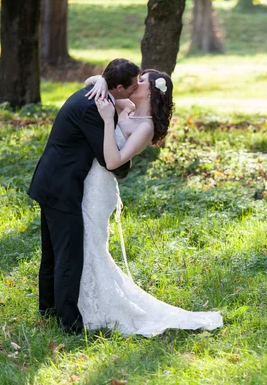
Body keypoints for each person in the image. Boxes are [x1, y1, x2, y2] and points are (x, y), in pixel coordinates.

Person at [77, 69, 223, 336]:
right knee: (84, 243)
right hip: (84, 180)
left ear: (151, 91)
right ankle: (83, 302)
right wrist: (100, 80)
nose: (135, 82)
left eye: (141, 80)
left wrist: (109, 122)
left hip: (99, 190)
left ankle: (97, 308)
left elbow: (113, 162)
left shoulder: (145, 127)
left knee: (93, 246)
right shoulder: (128, 106)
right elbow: (92, 85)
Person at [28, 58, 139, 334]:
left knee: (53, 251)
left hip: (50, 181)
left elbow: (96, 83)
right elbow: (107, 159)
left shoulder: (94, 94)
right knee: (69, 255)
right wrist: (128, 159)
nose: (137, 88)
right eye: (134, 84)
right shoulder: (94, 108)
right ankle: (70, 323)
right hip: (61, 187)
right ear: (119, 87)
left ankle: (48, 308)